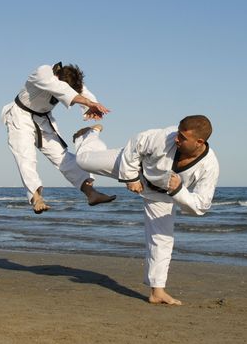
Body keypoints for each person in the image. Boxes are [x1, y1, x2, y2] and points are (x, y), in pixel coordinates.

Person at [73, 115, 220, 305]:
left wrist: (178, 191)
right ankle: (91, 134)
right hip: (136, 165)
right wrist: (131, 177)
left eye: (183, 137)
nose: (177, 138)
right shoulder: (166, 137)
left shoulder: (209, 166)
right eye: (178, 133)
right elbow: (137, 143)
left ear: (199, 142)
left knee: (162, 240)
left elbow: (201, 206)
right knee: (83, 161)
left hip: (163, 195)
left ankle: (157, 292)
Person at [1, 62, 116, 214]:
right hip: (20, 117)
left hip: (43, 120)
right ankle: (36, 198)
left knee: (63, 157)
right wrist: (88, 102)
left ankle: (91, 193)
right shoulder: (43, 72)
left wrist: (89, 107)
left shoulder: (68, 82)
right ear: (57, 76)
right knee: (26, 156)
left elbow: (83, 91)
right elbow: (60, 88)